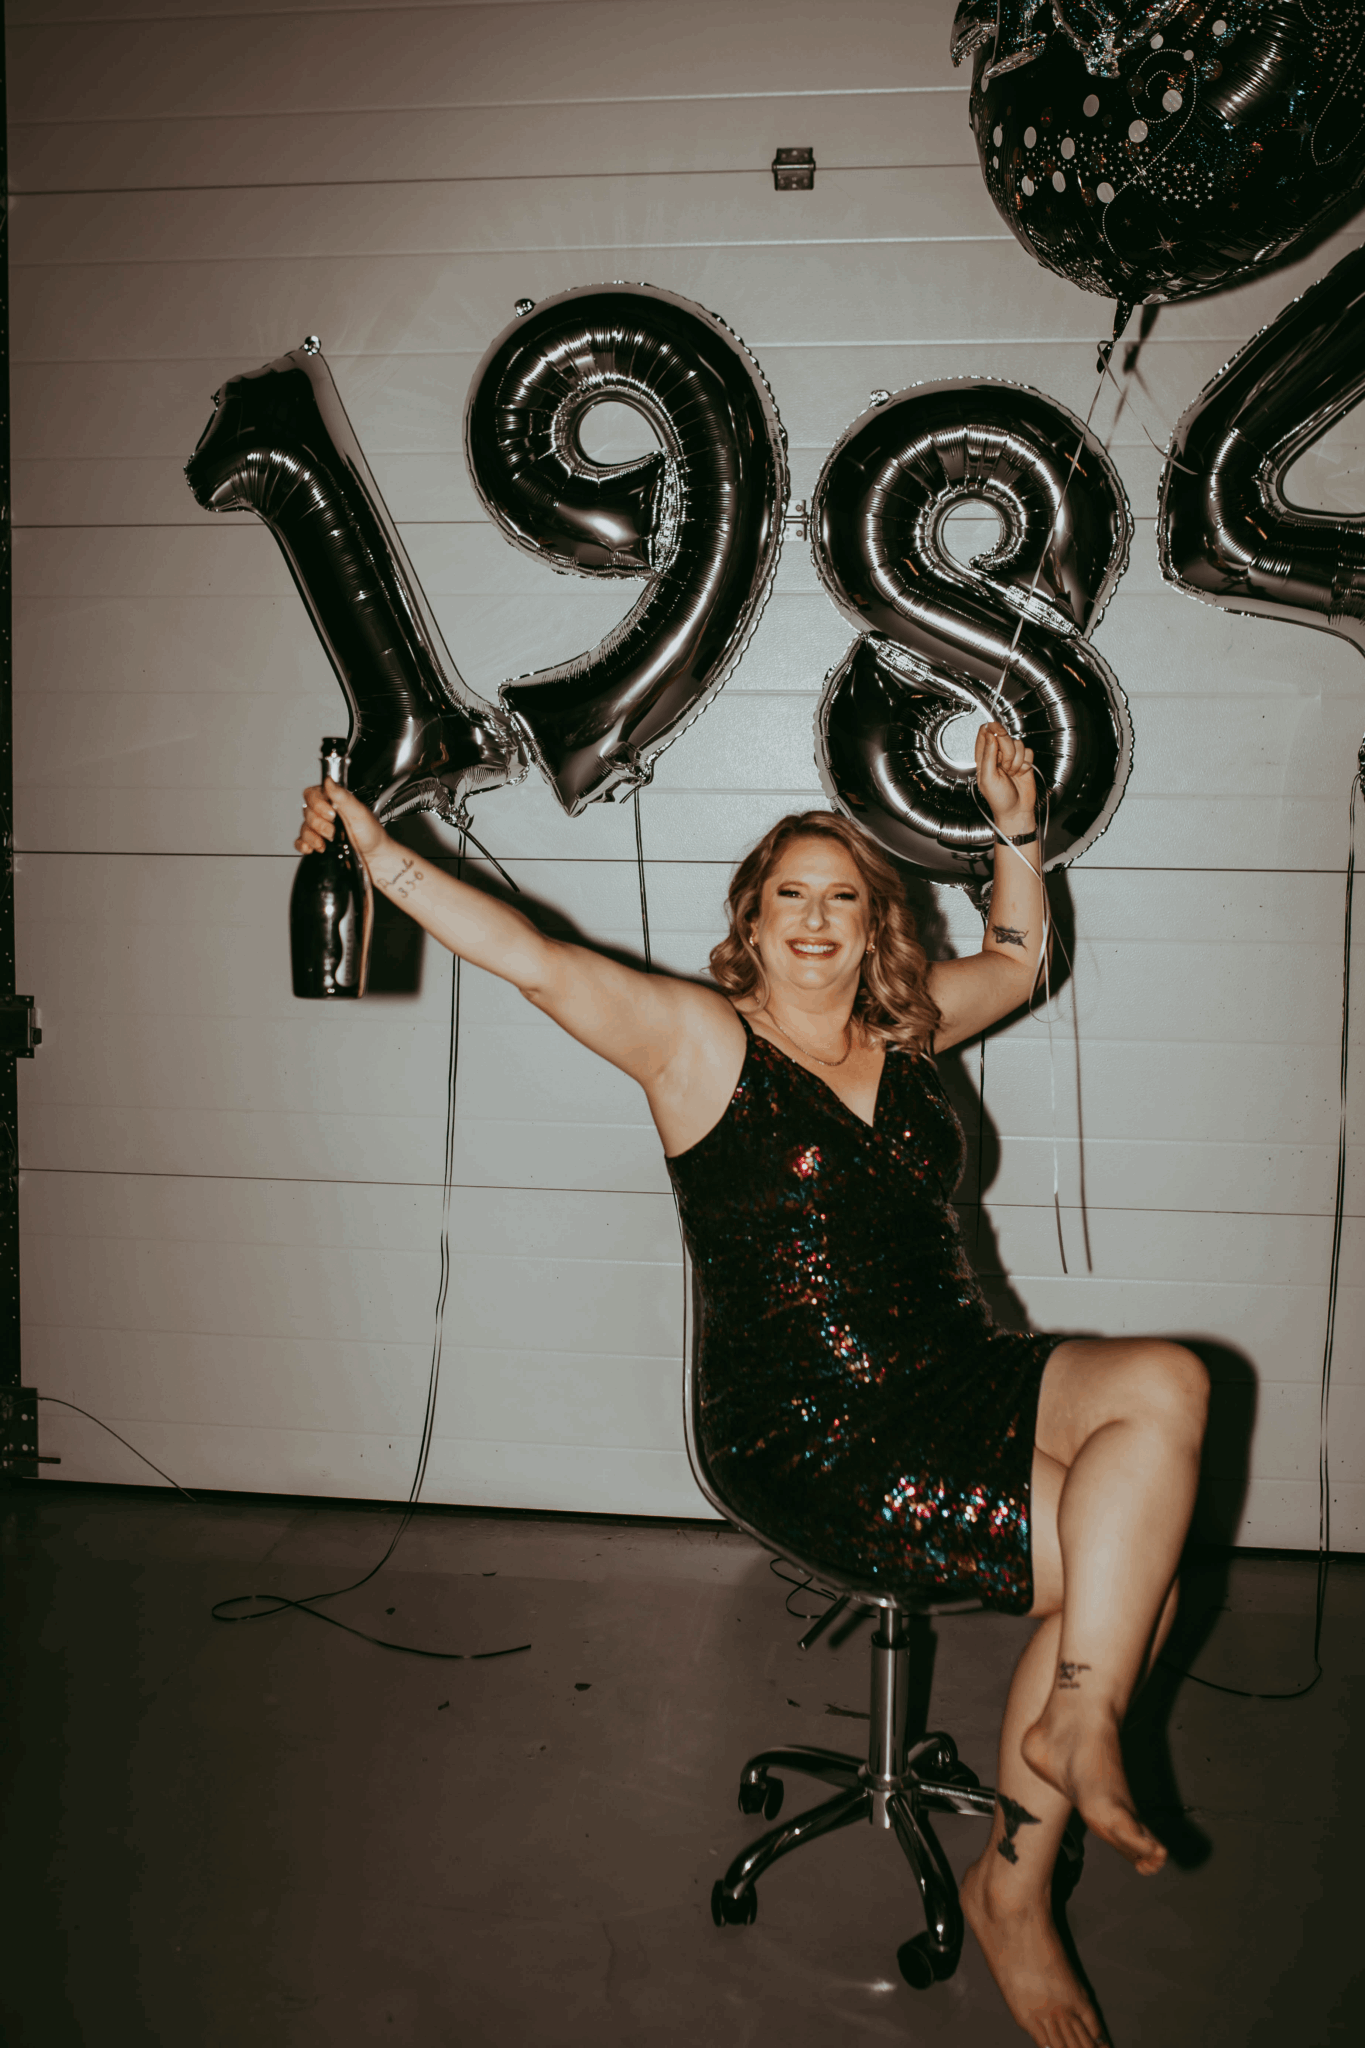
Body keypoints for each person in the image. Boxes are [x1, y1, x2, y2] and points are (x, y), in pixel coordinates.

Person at [297, 723, 1207, 2048]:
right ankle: (1017, 1889)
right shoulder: (700, 1045)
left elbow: (1019, 957)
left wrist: (1015, 825)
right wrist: (383, 860)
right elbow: (539, 961)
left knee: (1168, 1385)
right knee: (1134, 1584)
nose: (818, 920)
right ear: (754, 920)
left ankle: (1076, 1718)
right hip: (812, 1428)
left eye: (845, 897)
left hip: (959, 1364)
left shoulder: (907, 1029)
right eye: (793, 895)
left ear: (876, 924)